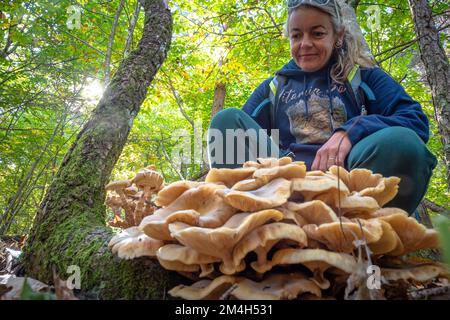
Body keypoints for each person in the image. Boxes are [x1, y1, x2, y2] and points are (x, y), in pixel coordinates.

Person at [207, 0, 437, 216]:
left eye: (317, 33)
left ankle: (374, 239)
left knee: (403, 143)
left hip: (350, 189)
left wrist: (350, 131)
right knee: (225, 123)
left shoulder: (362, 76)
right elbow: (235, 141)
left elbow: (414, 119)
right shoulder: (274, 87)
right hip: (281, 192)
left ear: (338, 35)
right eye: (296, 35)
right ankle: (245, 227)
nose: (305, 44)